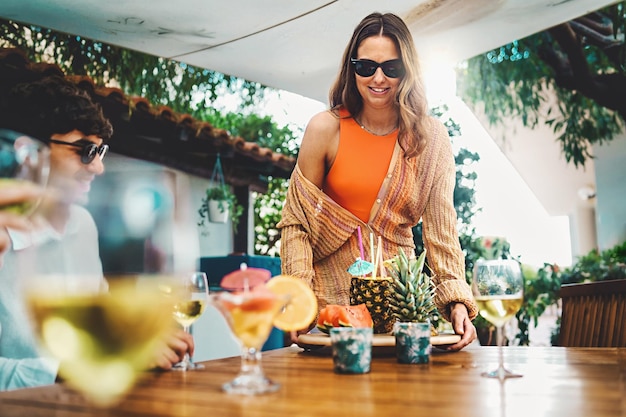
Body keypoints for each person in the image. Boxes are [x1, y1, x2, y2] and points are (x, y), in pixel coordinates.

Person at [278, 12, 478, 351]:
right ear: (351, 67)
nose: (379, 78)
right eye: (366, 67)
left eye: (392, 68)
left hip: (404, 314)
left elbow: (442, 234)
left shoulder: (431, 139)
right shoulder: (324, 129)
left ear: (408, 70)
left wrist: (457, 299)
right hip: (331, 315)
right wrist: (299, 296)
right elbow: (296, 223)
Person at [0, 75, 193, 390]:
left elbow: (102, 330)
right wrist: (68, 369)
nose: (98, 167)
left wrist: (140, 341)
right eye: (85, 150)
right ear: (30, 151)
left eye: (101, 152)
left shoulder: (84, 226)